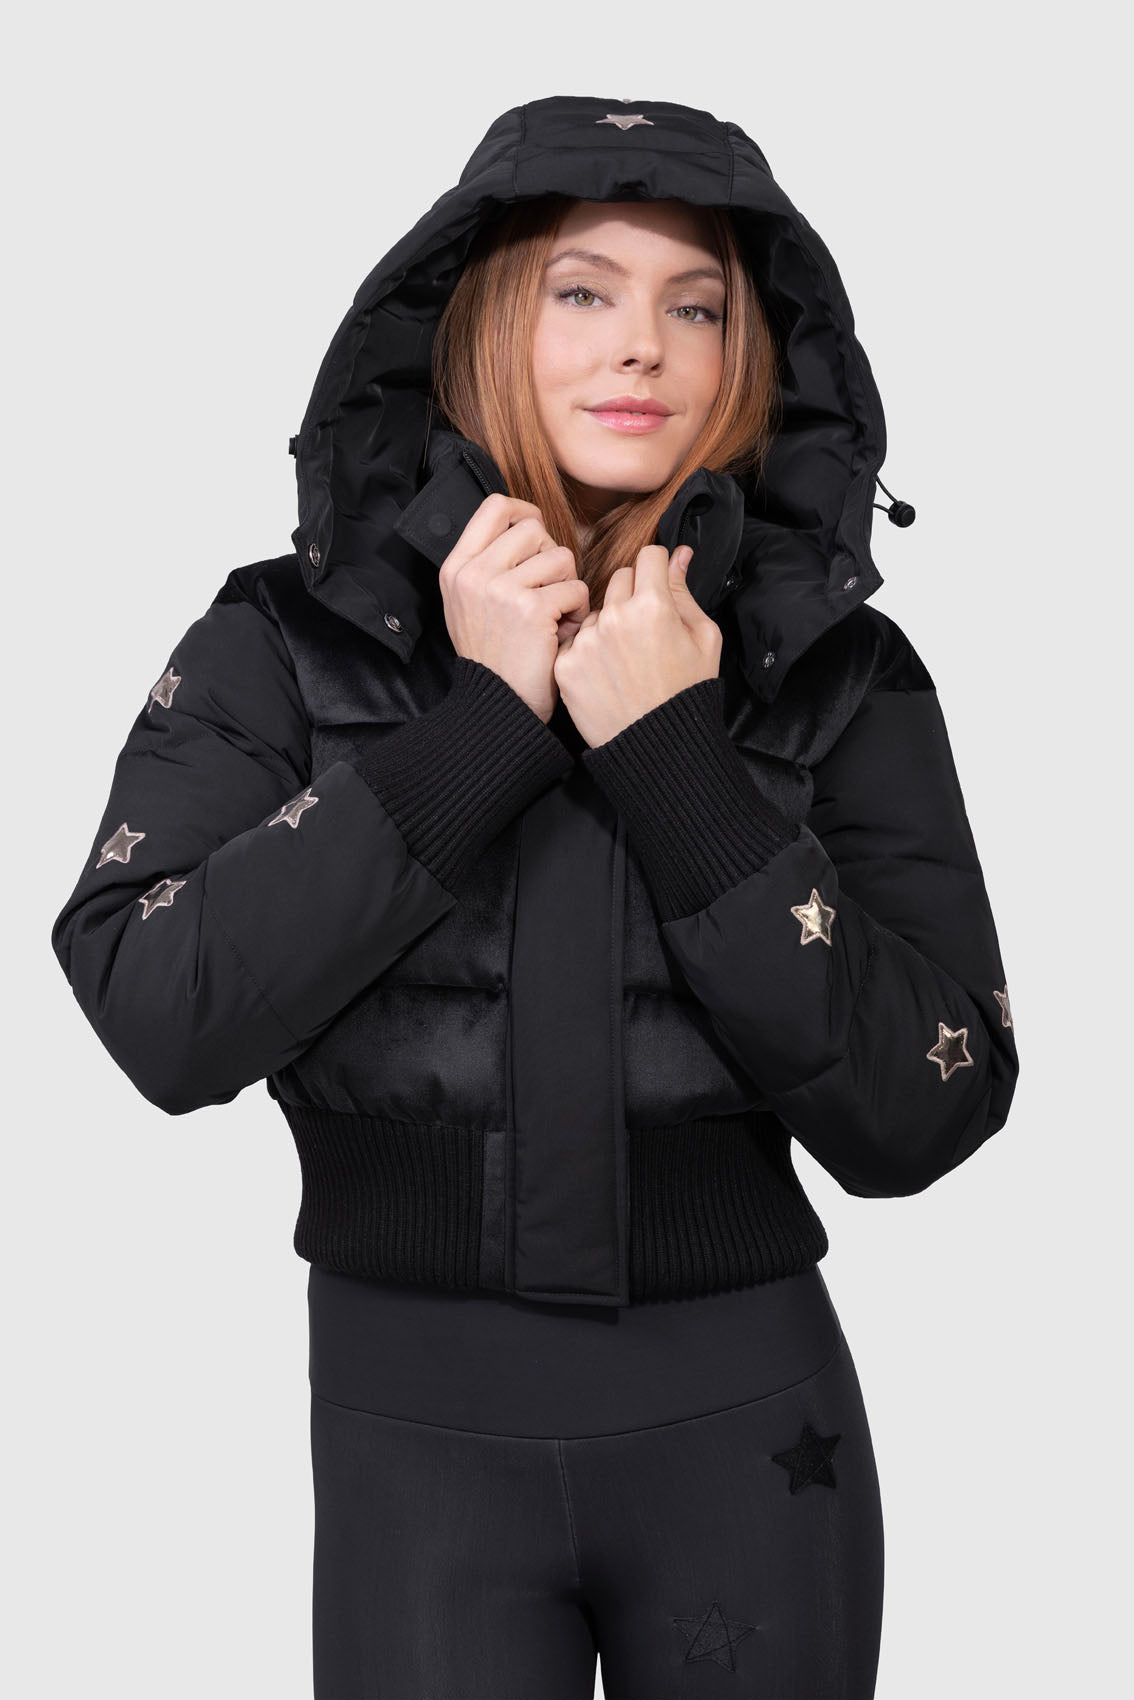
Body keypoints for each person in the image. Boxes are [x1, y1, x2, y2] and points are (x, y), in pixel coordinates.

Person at [49, 93, 1020, 1699]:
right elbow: (157, 1014)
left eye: (695, 306)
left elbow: (934, 1104)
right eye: (582, 290)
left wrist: (678, 765)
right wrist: (482, 727)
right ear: (482, 317)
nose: (642, 345)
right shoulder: (285, 638)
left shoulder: (833, 666)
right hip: (412, 1441)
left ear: (750, 352)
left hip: (747, 1433)